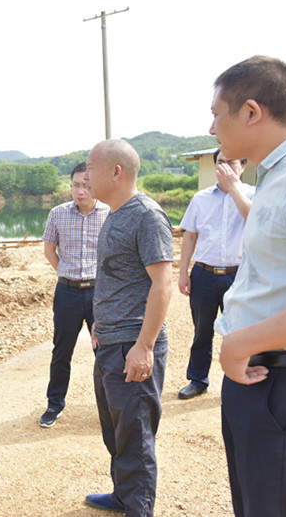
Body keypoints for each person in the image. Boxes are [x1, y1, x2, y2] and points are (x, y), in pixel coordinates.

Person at [211, 55, 286, 517]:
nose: (211, 129)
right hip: (265, 376)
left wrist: (240, 342)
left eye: (217, 114)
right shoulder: (276, 174)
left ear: (251, 111)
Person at [83, 139, 173, 516]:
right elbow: (116, 279)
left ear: (115, 172)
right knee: (117, 432)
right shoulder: (114, 214)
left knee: (135, 437)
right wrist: (100, 325)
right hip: (109, 341)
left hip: (131, 344)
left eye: (90, 168)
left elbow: (162, 284)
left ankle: (138, 507)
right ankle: (123, 495)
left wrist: (145, 346)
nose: (85, 175)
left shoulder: (146, 216)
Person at [177, 149, 254, 399]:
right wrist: (183, 272)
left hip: (239, 275)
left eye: (231, 162)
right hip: (204, 274)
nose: (225, 167)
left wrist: (234, 189)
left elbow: (254, 219)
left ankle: (241, 378)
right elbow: (190, 235)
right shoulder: (201, 198)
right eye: (220, 162)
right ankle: (198, 379)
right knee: (202, 331)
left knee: (239, 331)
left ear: (242, 166)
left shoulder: (253, 194)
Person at [39, 163, 109, 427]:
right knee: (62, 350)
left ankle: (110, 405)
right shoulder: (58, 214)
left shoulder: (110, 213)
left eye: (86, 185)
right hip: (67, 292)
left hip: (100, 292)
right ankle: (54, 403)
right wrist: (66, 273)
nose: (81, 191)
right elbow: (49, 251)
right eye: (76, 185)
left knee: (104, 350)